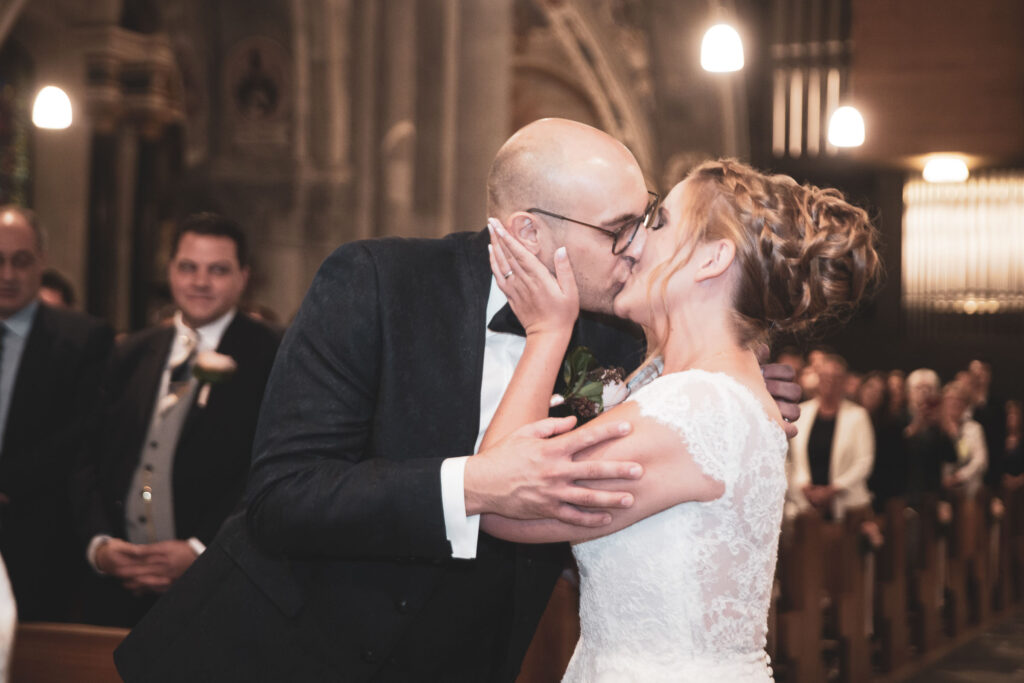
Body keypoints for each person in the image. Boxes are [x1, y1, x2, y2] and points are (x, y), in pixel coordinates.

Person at [114, 120, 801, 682]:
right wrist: (469, 485)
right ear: (530, 233)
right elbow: (283, 494)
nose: (634, 250)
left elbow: (654, 469)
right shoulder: (377, 282)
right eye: (619, 227)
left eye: (646, 220)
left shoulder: (618, 337)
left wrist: (727, 390)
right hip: (272, 654)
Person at [478, 158, 879, 680]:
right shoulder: (693, 390)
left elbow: (495, 497)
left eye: (659, 221)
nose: (633, 242)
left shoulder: (695, 406)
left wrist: (547, 333)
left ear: (712, 259)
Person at [73, 212, 280, 627]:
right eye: (188, 267)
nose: (200, 282)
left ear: (243, 277)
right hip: (119, 589)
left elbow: (273, 469)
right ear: (170, 271)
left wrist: (203, 550)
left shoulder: (273, 355)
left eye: (217, 270)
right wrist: (99, 545)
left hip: (220, 588)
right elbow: (86, 454)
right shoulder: (131, 351)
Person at [0, 205, 114, 621]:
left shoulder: (83, 338)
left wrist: (8, 482)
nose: (8, 274)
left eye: (22, 260)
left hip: (41, 541)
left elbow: (83, 433)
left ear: (41, 262)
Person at [787, 353, 876, 520]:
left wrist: (833, 489)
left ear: (844, 381)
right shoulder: (802, 412)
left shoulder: (857, 415)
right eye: (826, 376)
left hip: (846, 504)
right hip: (806, 502)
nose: (830, 381)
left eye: (836, 377)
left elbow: (864, 462)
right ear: (818, 378)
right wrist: (804, 486)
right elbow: (793, 458)